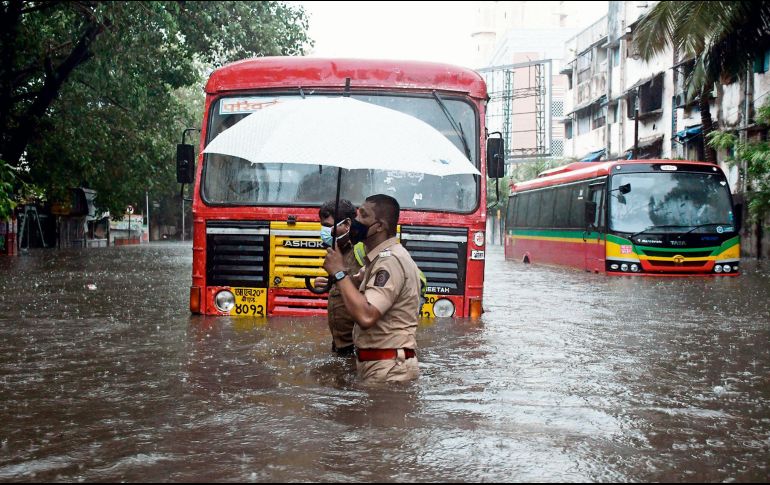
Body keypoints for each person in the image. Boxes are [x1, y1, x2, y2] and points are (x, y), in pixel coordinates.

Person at [322, 194, 421, 383]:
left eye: (364, 215)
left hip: (389, 370)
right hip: (381, 366)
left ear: (380, 226)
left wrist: (339, 273)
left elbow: (366, 316)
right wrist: (340, 279)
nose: (356, 221)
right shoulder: (378, 259)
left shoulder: (389, 261)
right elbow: (361, 290)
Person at [314, 199, 366, 357]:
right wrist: (329, 284)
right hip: (340, 344)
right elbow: (344, 288)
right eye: (323, 226)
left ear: (347, 224)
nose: (325, 231)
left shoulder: (362, 249)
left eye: (329, 226)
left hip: (358, 346)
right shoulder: (336, 253)